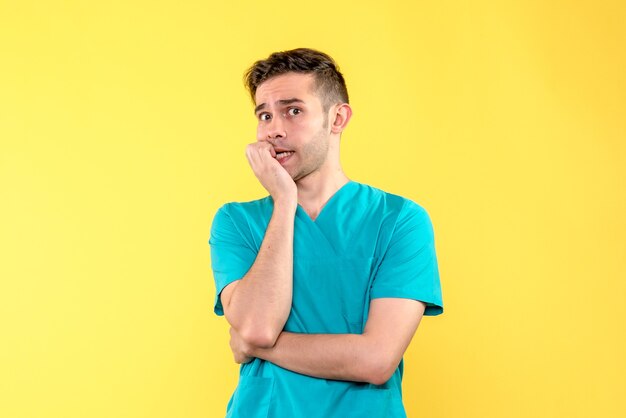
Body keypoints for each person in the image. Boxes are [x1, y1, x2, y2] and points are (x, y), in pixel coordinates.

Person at [208, 48, 443, 418]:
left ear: (337, 118)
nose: (274, 129)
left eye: (293, 110)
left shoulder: (399, 220)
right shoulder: (237, 222)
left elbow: (377, 359)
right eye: (264, 115)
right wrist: (284, 201)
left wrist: (257, 346)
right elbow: (256, 325)